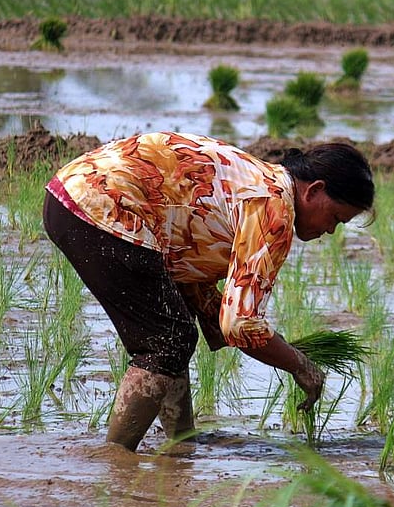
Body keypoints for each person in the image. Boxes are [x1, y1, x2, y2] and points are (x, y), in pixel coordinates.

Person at [42, 131, 375, 451]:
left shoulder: (259, 181)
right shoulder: (274, 208)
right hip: (101, 207)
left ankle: (179, 444)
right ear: (314, 190)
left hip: (69, 194)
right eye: (335, 217)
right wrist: (300, 365)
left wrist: (257, 339)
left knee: (174, 333)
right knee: (167, 340)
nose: (330, 230)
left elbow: (191, 275)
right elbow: (241, 323)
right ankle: (117, 457)